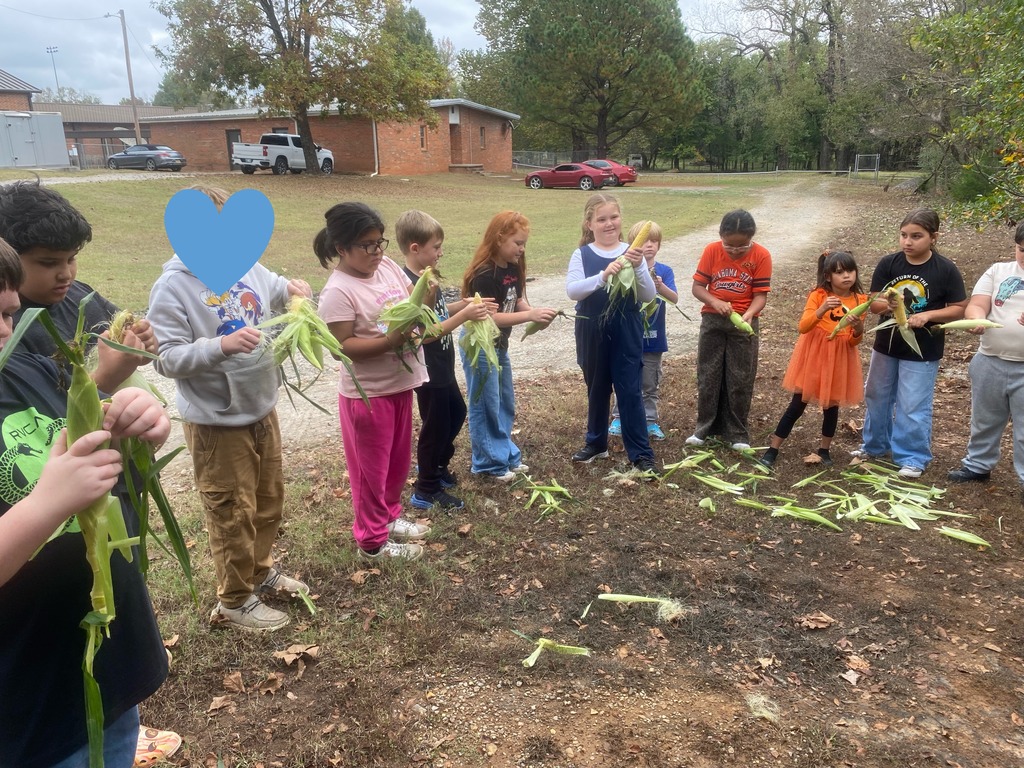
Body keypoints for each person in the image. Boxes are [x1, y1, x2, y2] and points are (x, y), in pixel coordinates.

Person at [0, 178, 180, 763]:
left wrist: (125, 414)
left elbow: (59, 428)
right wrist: (48, 502)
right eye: (48, 263)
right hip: (26, 705)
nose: (8, 334)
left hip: (99, 658)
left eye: (8, 315)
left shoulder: (40, 340)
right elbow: (42, 481)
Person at [148, 185, 311, 631]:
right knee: (231, 510)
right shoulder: (173, 287)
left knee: (267, 500)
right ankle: (235, 600)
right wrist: (219, 346)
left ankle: (259, 570)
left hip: (262, 408)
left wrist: (294, 289)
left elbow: (277, 290)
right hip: (216, 423)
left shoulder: (249, 265)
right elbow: (165, 358)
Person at [315, 202, 433, 561]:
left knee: (397, 463)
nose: (377, 251)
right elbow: (341, 348)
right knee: (370, 472)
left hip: (400, 385)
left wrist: (422, 306)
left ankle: (390, 516)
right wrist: (391, 341)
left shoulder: (388, 269)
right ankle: (371, 542)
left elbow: (408, 309)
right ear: (341, 249)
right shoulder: (338, 291)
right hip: (367, 397)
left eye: (379, 242)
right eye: (367, 245)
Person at [0, 179, 157, 392]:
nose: (66, 274)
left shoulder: (81, 295)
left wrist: (142, 347)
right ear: (8, 256)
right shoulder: (10, 330)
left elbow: (132, 350)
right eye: (48, 263)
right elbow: (44, 412)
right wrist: (106, 377)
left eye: (71, 259)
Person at [854, 208, 967, 478]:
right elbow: (874, 303)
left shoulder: (946, 270)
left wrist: (927, 315)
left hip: (923, 350)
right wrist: (888, 304)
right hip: (886, 346)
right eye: (904, 235)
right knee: (877, 395)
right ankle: (875, 445)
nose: (908, 242)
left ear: (933, 237)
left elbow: (959, 308)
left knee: (912, 403)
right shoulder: (889, 264)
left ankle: (913, 456)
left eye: (916, 236)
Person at [395, 209, 493, 511]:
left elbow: (436, 314)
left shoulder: (427, 277)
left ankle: (437, 465)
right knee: (435, 427)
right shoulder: (409, 284)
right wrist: (465, 316)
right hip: (427, 371)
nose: (441, 252)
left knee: (456, 412)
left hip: (443, 367)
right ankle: (426, 488)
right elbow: (423, 334)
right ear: (415, 248)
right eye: (436, 247)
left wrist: (460, 305)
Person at [461, 210, 557, 481]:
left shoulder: (513, 267)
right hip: (480, 347)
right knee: (485, 403)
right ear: (499, 238)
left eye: (524, 243)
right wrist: (528, 316)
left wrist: (536, 313)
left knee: (504, 401)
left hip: (499, 346)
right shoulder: (484, 274)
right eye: (518, 243)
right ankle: (488, 462)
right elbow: (489, 315)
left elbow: (517, 301)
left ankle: (504, 454)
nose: (522, 248)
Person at [566, 194, 658, 472]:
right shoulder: (582, 254)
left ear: (621, 219)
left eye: (614, 217)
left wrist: (639, 266)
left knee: (629, 389)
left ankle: (640, 452)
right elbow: (573, 291)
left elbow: (648, 294)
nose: (609, 224)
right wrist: (603, 275)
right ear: (589, 223)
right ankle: (596, 443)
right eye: (602, 219)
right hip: (591, 326)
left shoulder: (633, 251)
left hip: (626, 326)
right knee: (596, 386)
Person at [760, 251, 868, 469]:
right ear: (828, 276)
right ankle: (773, 448)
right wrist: (822, 309)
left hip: (839, 358)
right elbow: (803, 326)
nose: (846, 276)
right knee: (797, 404)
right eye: (839, 272)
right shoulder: (818, 295)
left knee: (831, 406)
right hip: (814, 355)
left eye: (850, 271)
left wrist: (857, 328)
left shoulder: (860, 300)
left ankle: (824, 450)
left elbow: (854, 341)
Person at [947, 221, 1024, 498]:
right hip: (990, 360)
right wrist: (975, 317)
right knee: (985, 419)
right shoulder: (999, 271)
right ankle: (978, 465)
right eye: (1021, 250)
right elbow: (978, 302)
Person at [688, 209, 772, 450]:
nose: (735, 250)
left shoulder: (762, 255)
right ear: (721, 236)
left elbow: (760, 296)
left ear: (751, 238)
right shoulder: (712, 251)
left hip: (743, 323)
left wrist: (749, 313)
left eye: (742, 246)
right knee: (708, 374)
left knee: (740, 377)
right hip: (713, 320)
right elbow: (698, 287)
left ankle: (736, 432)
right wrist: (714, 301)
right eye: (730, 245)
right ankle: (704, 427)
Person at [608, 220, 676, 442]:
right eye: (645, 241)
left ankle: (650, 421)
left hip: (653, 338)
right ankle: (619, 417)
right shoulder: (624, 268)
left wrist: (660, 286)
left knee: (649, 382)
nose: (649, 245)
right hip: (628, 337)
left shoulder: (664, 271)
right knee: (625, 379)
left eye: (654, 241)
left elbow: (674, 298)